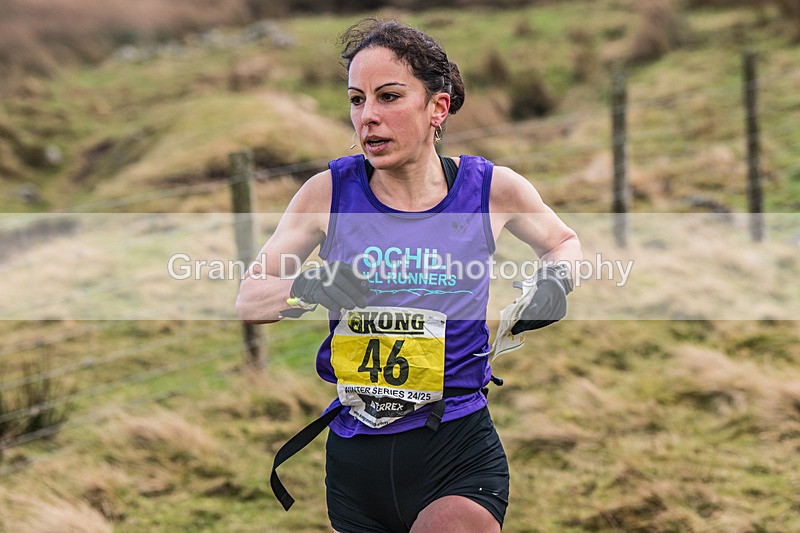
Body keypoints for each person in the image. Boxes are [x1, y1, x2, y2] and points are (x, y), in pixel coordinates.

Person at [236, 18, 582, 533]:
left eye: (389, 96)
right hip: (356, 460)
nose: (368, 117)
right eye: (357, 100)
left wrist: (555, 283)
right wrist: (307, 287)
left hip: (456, 446)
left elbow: (562, 243)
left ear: (437, 108)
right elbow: (249, 298)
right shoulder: (327, 194)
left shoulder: (491, 189)